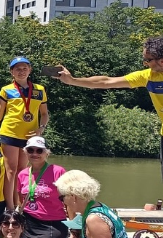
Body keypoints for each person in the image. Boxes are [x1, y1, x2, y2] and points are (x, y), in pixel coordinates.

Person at [58, 35, 163, 184]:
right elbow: (107, 81)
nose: (145, 63)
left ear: (161, 61)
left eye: (148, 60)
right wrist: (72, 81)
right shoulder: (148, 76)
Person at [0, 57, 49, 209]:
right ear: (12, 72)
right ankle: (9, 207)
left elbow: (44, 114)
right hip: (10, 133)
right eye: (17, 69)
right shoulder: (6, 90)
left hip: (30, 136)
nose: (21, 72)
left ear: (30, 70)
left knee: (22, 171)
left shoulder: (39, 90)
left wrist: (41, 129)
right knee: (11, 169)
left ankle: (19, 205)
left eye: (24, 68)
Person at [16, 136, 68, 238]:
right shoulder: (22, 174)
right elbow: (20, 199)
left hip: (51, 223)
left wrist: (75, 226)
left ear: (47, 153)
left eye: (39, 150)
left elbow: (69, 199)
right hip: (28, 221)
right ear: (25, 152)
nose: (35, 153)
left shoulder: (58, 171)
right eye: (30, 150)